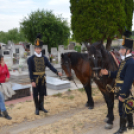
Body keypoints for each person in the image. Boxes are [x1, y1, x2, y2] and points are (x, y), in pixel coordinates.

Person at [100, 37, 134, 134]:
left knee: (122, 109)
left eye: (122, 49)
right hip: (120, 88)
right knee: (128, 106)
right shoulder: (124, 61)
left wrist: (122, 94)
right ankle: (131, 125)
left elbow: (128, 80)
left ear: (128, 50)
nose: (120, 51)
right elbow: (117, 74)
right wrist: (108, 73)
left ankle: (123, 128)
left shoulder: (130, 62)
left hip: (124, 89)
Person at [27, 33, 62, 115]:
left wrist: (57, 72)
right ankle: (36, 108)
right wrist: (32, 80)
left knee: (42, 93)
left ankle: (41, 107)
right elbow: (30, 71)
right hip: (35, 79)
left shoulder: (45, 58)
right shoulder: (30, 59)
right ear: (34, 49)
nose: (38, 50)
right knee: (35, 94)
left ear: (41, 49)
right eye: (36, 48)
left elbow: (50, 66)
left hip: (42, 79)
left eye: (39, 48)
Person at [0, 55, 12, 120]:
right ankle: (5, 114)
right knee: (1, 98)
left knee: (1, 99)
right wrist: (1, 67)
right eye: (1, 60)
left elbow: (7, 72)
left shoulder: (5, 65)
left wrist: (7, 77)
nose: (3, 61)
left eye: (3, 59)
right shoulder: (1, 66)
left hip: (4, 84)